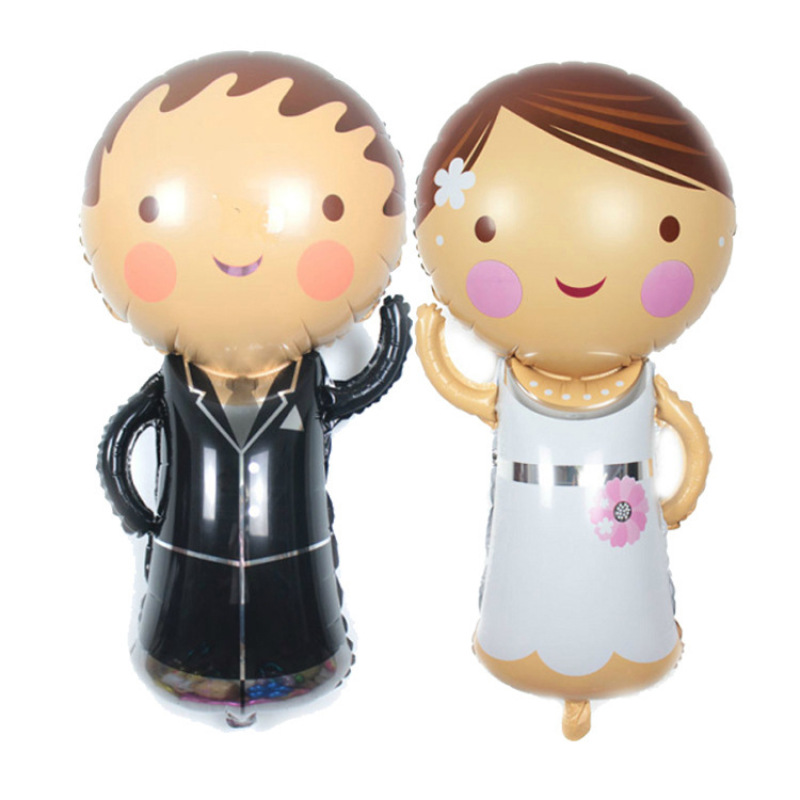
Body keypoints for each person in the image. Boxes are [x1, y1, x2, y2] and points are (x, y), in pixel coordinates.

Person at [83, 52, 410, 727]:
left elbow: (350, 395)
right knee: (185, 628)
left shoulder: (304, 387)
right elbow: (119, 446)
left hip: (291, 579)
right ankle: (187, 665)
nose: (239, 244)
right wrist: (143, 521)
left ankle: (304, 662)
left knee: (299, 624)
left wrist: (393, 344)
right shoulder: (178, 387)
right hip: (188, 579)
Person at [415, 63, 735, 739]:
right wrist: (431, 345)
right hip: (540, 546)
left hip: (624, 537)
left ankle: (627, 650)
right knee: (528, 579)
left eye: (666, 230)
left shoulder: (637, 382)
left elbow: (691, 442)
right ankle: (526, 647)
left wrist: (672, 506)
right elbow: (470, 394)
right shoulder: (517, 382)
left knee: (618, 589)